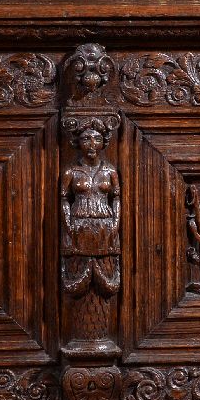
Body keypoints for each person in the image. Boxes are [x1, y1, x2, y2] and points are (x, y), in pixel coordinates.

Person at [60, 123, 121, 342]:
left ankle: (101, 335)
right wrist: (68, 225)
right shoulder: (71, 171)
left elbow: (116, 198)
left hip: (104, 226)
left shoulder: (110, 171)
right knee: (76, 271)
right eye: (86, 139)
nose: (91, 144)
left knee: (106, 274)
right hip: (78, 226)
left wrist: (115, 224)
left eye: (96, 139)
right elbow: (64, 199)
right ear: (78, 143)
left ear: (104, 142)